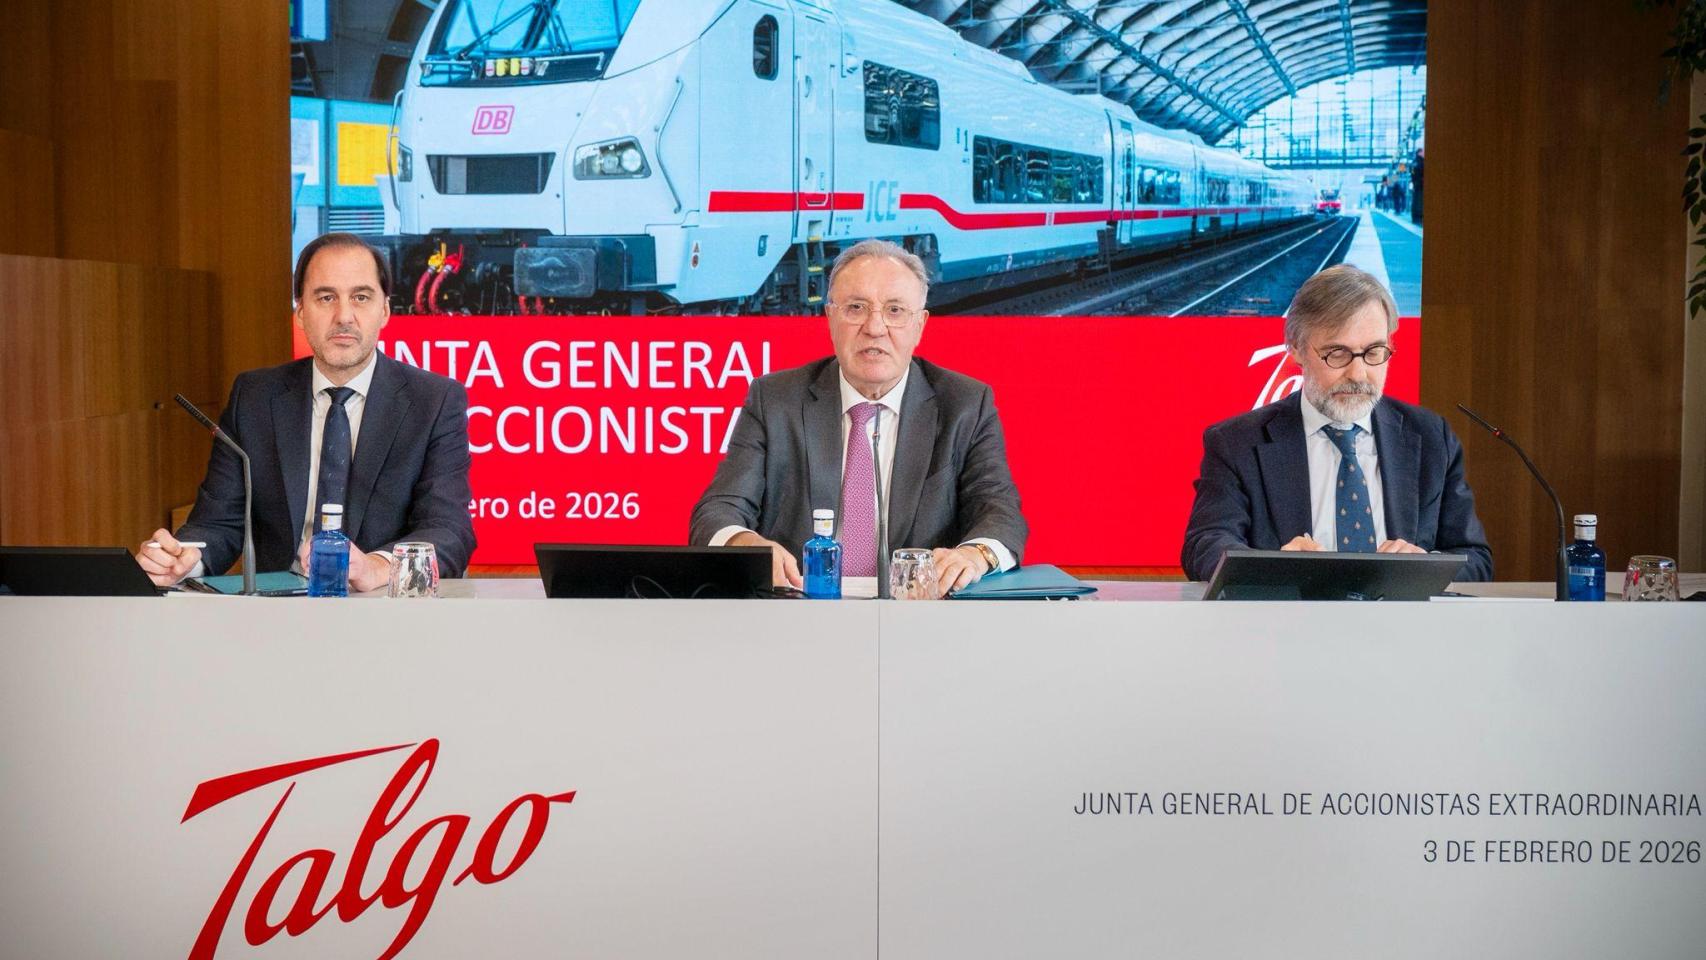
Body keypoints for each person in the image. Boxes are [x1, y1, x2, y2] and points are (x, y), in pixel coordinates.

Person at [137, 232, 476, 590]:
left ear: (385, 310)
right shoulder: (255, 397)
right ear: (300, 312)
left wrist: (376, 567)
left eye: (361, 297)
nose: (344, 316)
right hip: (278, 613)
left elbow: (449, 529)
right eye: (326, 297)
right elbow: (219, 521)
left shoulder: (434, 401)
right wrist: (185, 559)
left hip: (381, 609)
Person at [690, 239, 1027, 597]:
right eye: (855, 308)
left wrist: (974, 555)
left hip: (920, 622)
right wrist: (744, 543)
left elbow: (1000, 511)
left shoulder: (965, 405)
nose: (875, 327)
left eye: (895, 310)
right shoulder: (775, 400)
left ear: (920, 325)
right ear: (830, 317)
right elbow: (718, 510)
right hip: (798, 614)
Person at [1181, 264, 1492, 582]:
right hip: (1287, 626)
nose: (1358, 375)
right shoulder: (1237, 442)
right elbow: (1205, 545)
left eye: (1374, 352)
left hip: (1401, 628)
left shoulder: (1430, 437)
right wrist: (1273, 567)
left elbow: (1476, 560)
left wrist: (1424, 565)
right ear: (1296, 350)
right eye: (1336, 354)